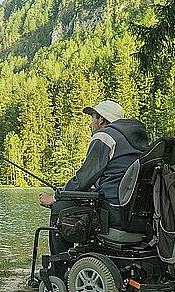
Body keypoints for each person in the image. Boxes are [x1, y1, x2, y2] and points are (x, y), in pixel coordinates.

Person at [38, 100, 148, 278]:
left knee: (60, 209)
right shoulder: (138, 142)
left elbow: (85, 178)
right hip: (138, 215)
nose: (90, 123)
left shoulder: (105, 136)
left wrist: (57, 197)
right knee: (72, 201)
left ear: (101, 119)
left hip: (113, 213)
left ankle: (57, 274)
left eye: (92, 118)